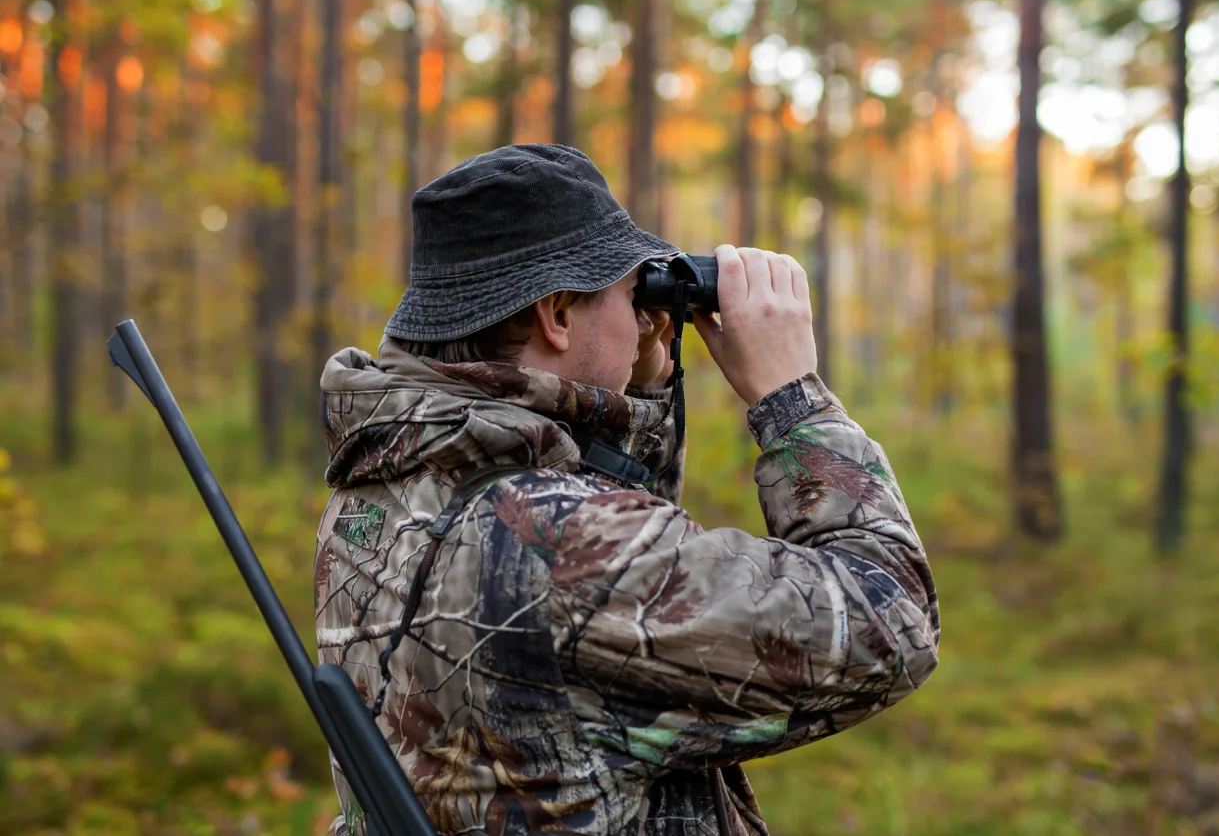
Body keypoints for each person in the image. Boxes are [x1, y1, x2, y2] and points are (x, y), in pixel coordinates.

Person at [313, 144, 939, 836]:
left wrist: (638, 390)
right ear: (555, 313)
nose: (645, 316)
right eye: (628, 291)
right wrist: (793, 402)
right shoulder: (564, 546)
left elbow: (591, 575)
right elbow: (890, 623)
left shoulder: (384, 484)